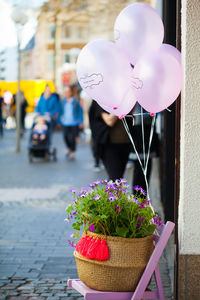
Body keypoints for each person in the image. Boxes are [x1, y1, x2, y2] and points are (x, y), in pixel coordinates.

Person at [89, 100, 131, 179]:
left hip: (125, 142)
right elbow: (109, 121)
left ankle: (112, 191)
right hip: (109, 145)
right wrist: (121, 105)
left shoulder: (126, 97)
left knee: (119, 178)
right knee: (116, 178)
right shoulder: (100, 99)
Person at [61, 85, 83, 160]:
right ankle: (69, 148)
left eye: (68, 91)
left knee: (73, 138)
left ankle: (73, 151)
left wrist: (80, 122)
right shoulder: (63, 101)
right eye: (65, 91)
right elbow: (60, 110)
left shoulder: (75, 101)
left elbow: (80, 111)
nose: (67, 93)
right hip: (65, 122)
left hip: (74, 122)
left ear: (71, 92)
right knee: (65, 136)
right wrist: (59, 119)